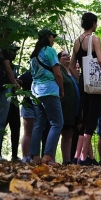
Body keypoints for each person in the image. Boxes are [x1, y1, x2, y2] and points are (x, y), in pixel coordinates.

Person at [69, 12, 101, 166]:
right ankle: (84, 158)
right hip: (95, 83)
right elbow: (100, 60)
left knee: (85, 119)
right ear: (93, 23)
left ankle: (77, 156)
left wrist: (81, 80)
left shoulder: (77, 41)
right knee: (93, 118)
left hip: (83, 83)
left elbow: (72, 66)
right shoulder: (94, 38)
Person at [29, 28, 64, 166]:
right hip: (49, 91)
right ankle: (48, 157)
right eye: (52, 36)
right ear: (48, 37)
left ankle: (35, 157)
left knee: (39, 124)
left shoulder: (34, 55)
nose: (53, 39)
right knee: (57, 122)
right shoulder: (49, 51)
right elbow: (58, 73)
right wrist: (61, 89)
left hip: (35, 92)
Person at [57, 50, 81, 164]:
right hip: (63, 107)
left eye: (68, 55)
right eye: (64, 55)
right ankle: (50, 157)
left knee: (70, 133)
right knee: (61, 131)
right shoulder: (59, 70)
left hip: (74, 109)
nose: (67, 56)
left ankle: (67, 160)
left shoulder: (71, 72)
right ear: (59, 58)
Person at [18, 71, 34, 163]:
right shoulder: (28, 75)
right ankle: (25, 156)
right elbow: (18, 83)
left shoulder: (42, 74)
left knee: (35, 133)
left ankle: (32, 156)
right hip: (28, 105)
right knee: (28, 132)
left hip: (39, 107)